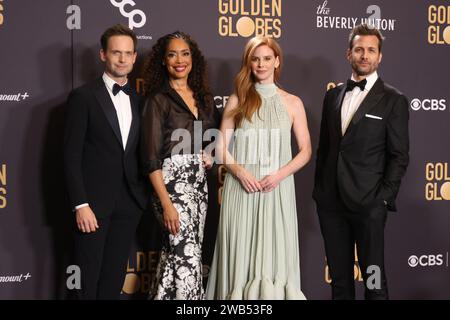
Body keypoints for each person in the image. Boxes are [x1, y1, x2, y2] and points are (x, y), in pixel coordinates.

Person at [206, 36, 311, 300]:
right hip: (241, 189)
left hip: (276, 189)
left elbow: (306, 151)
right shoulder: (237, 99)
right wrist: (240, 173)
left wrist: (279, 176)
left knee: (273, 256)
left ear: (277, 61)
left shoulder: (293, 103)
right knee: (240, 254)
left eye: (267, 58)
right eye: (255, 59)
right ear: (248, 63)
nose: (261, 64)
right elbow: (220, 148)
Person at [313, 24, 410, 300]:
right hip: (331, 205)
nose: (364, 55)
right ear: (348, 54)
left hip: (369, 206)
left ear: (379, 56)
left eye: (371, 50)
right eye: (359, 50)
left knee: (374, 282)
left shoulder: (394, 100)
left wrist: (382, 199)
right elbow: (325, 148)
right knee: (340, 284)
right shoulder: (332, 95)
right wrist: (321, 193)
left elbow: (399, 155)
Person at [63, 24, 148, 299]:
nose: (122, 59)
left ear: (135, 57)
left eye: (127, 53)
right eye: (116, 53)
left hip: (129, 205)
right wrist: (80, 204)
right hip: (92, 207)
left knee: (113, 280)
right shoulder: (83, 97)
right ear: (103, 55)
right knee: (87, 280)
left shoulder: (140, 100)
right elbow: (70, 155)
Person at [141, 31, 220, 300]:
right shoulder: (157, 100)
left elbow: (214, 137)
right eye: (172, 54)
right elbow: (151, 158)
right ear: (163, 61)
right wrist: (165, 203)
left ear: (193, 58)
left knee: (176, 260)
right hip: (171, 187)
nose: (179, 60)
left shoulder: (205, 99)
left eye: (185, 53)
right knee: (186, 260)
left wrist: (210, 153)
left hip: (199, 185)